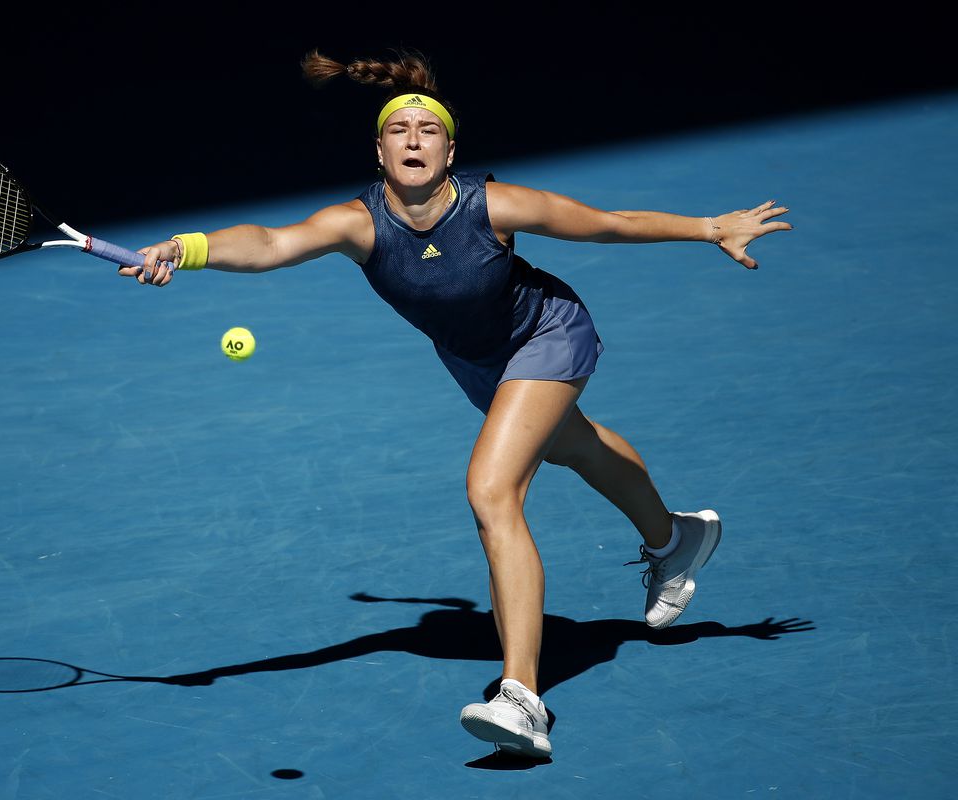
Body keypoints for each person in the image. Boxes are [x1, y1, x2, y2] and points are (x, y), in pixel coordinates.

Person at [119, 50, 792, 759]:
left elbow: (610, 224)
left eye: (427, 130)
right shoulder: (358, 222)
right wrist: (186, 246)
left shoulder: (494, 205)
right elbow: (266, 243)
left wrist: (712, 227)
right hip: (476, 362)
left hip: (548, 333)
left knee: (492, 490)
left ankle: (522, 698)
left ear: (450, 150)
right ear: (377, 151)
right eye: (398, 131)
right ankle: (676, 537)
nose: (413, 140)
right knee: (574, 447)